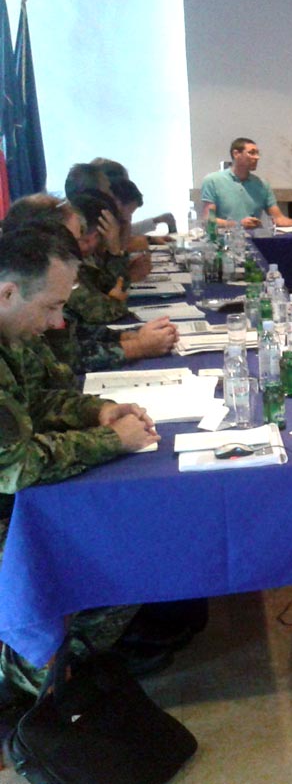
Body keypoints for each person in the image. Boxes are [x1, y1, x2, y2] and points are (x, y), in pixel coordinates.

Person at [0, 226, 162, 699]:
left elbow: (36, 400)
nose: (57, 323)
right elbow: (16, 467)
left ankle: (65, 658)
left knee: (133, 528)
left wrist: (98, 411)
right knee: (117, 543)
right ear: (8, 292)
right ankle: (33, 673)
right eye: (50, 307)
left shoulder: (11, 331)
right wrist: (110, 440)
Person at [2, 196, 178, 373]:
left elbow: (76, 331)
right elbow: (66, 355)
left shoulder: (54, 275)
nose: (80, 245)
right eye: (73, 239)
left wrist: (130, 335)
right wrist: (138, 346)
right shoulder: (37, 279)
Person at [201, 138, 292, 230]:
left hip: (255, 241)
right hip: (224, 241)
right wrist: (238, 224)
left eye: (257, 153)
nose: (257, 157)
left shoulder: (262, 184)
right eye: (251, 153)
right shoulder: (212, 181)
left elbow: (278, 218)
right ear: (236, 154)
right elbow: (208, 220)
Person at [66, 189, 135, 324]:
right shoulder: (62, 262)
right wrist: (115, 301)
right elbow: (99, 313)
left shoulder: (86, 258)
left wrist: (115, 252)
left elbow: (111, 287)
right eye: (83, 238)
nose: (90, 245)